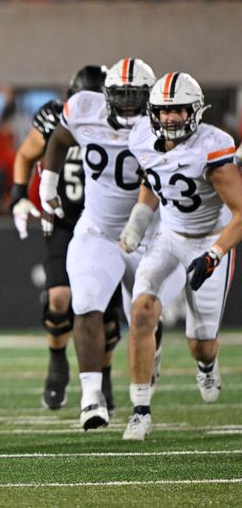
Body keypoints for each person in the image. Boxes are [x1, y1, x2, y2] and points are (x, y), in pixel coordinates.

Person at [39, 58, 181, 430]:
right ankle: (91, 399)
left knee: (144, 313)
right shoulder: (84, 109)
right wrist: (47, 184)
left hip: (152, 232)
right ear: (105, 94)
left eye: (137, 96)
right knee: (85, 304)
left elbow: (160, 181)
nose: (130, 104)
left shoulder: (162, 127)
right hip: (99, 229)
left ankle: (152, 343)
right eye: (122, 95)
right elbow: (59, 137)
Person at [119, 72, 242, 440]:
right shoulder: (141, 136)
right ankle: (140, 408)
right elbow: (154, 180)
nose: (170, 118)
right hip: (169, 237)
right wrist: (139, 222)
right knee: (142, 310)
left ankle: (207, 363)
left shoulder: (213, 148)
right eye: (164, 111)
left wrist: (215, 255)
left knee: (200, 344)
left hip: (209, 239)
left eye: (179, 110)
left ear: (196, 111)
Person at [10, 65, 129, 413]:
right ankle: (57, 362)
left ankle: (103, 378)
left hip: (103, 222)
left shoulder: (122, 122)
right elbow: (25, 154)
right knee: (60, 298)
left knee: (105, 315)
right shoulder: (54, 118)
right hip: (62, 219)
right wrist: (19, 195)